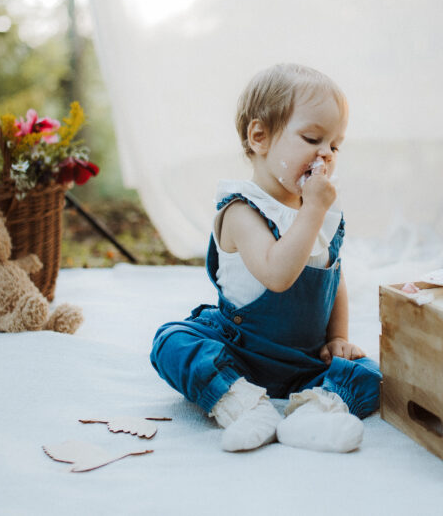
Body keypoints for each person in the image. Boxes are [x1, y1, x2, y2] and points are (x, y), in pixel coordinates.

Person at [150, 63, 381, 453]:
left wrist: (338, 337)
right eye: (312, 138)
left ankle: (312, 414)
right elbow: (277, 274)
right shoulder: (243, 211)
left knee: (371, 374)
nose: (325, 154)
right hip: (239, 351)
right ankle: (241, 405)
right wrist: (311, 212)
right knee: (172, 342)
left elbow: (333, 276)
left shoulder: (319, 212)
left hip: (303, 361)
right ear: (260, 137)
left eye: (335, 145)